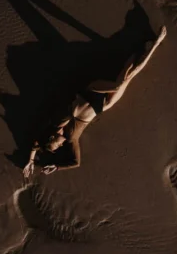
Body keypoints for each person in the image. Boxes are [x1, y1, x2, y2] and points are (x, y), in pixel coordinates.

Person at [24, 24, 167, 178]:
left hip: (90, 92)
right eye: (58, 147)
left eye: (57, 145)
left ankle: (140, 48)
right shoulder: (72, 140)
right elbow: (75, 162)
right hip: (103, 105)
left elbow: (35, 144)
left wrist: (30, 161)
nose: (61, 145)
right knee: (128, 77)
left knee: (119, 82)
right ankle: (153, 45)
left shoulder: (56, 121)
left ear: (52, 137)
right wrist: (57, 167)